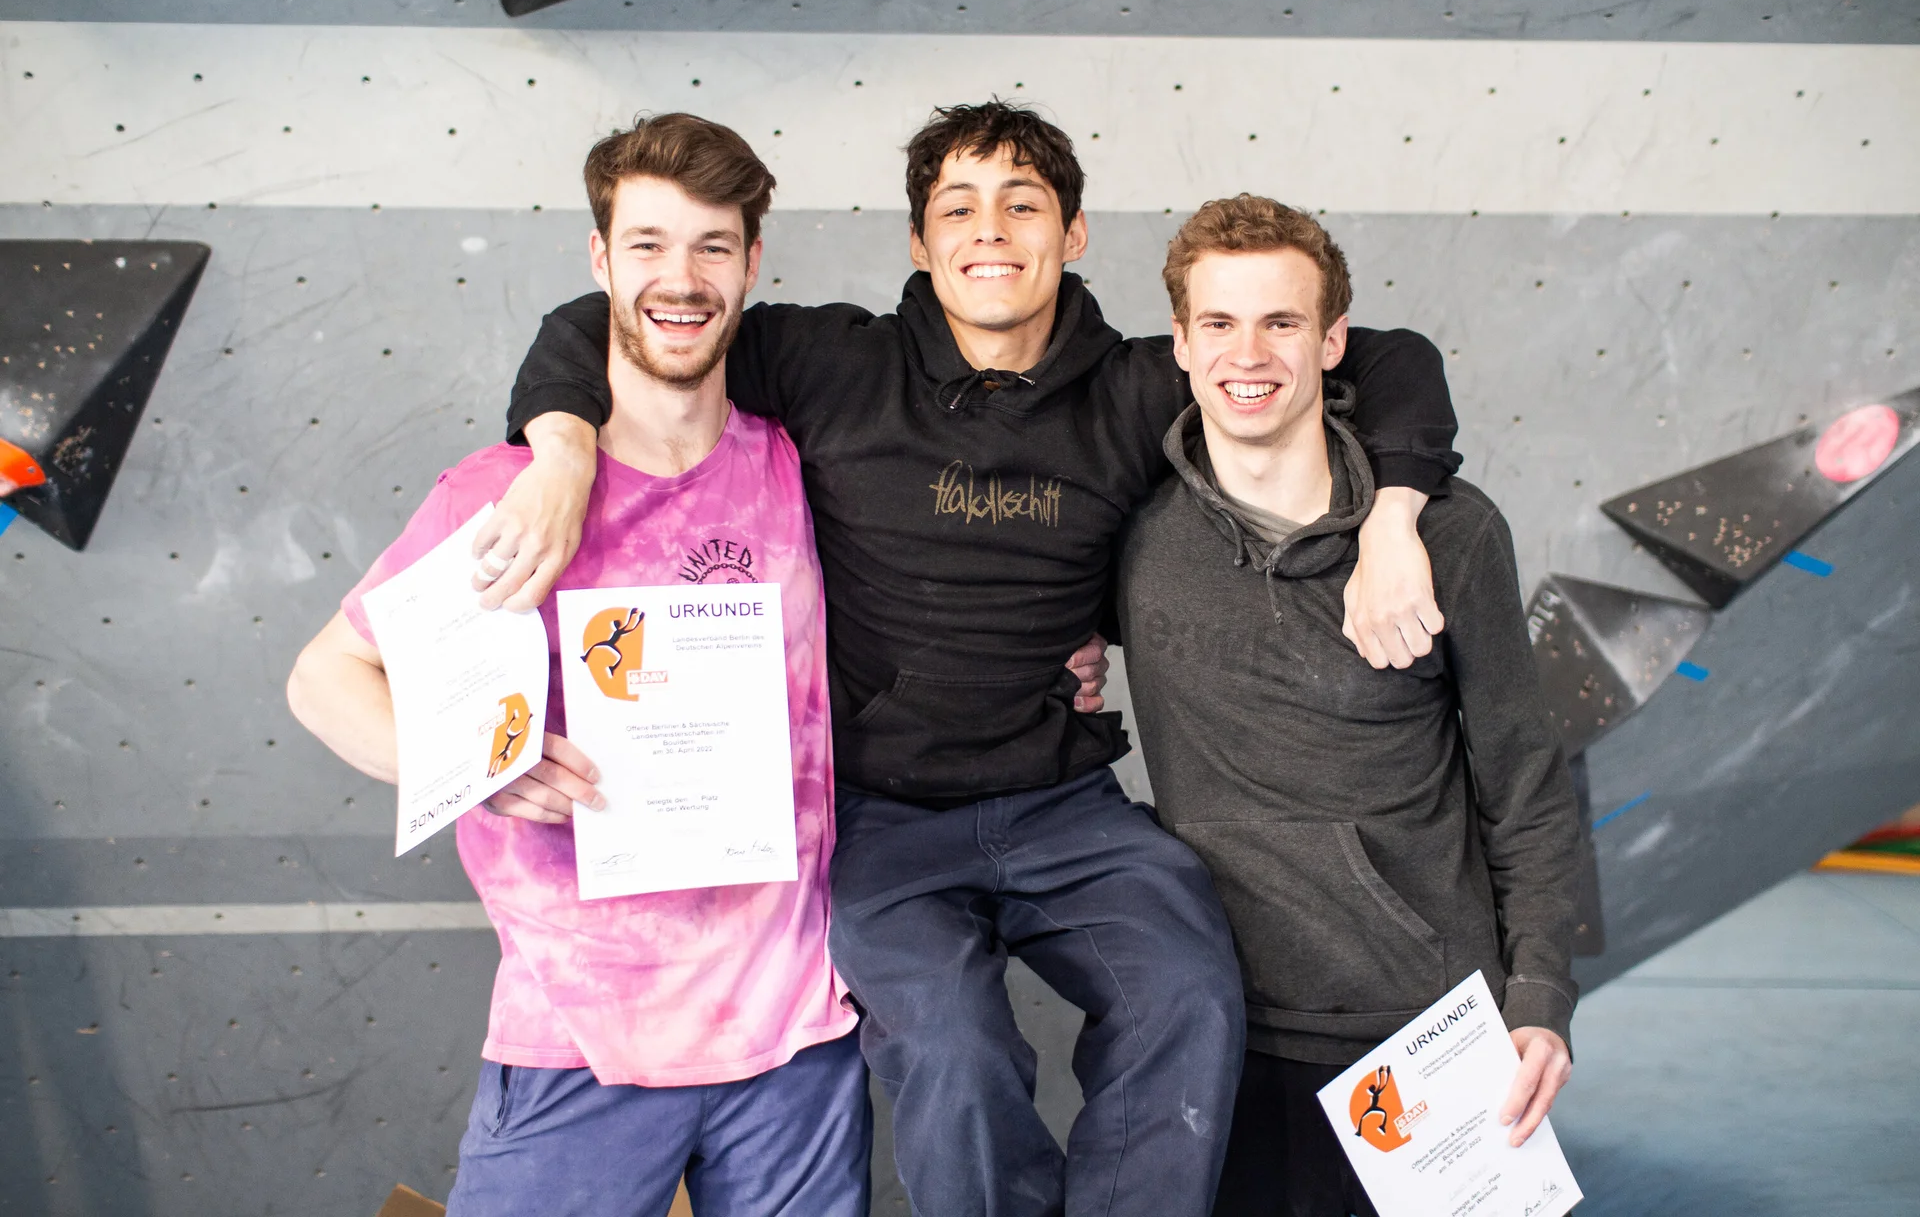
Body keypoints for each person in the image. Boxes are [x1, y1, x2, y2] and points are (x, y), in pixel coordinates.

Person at [477, 101, 1465, 1215]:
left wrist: (1392, 518)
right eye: (958, 207)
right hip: (883, 823)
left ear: (1073, 233)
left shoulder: (1142, 385)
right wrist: (559, 453)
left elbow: (1388, 360)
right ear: (920, 242)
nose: (989, 229)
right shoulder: (828, 361)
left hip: (1065, 806)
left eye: (1022, 204)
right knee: (952, 1052)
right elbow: (596, 321)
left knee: (1188, 990)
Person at [286, 114, 872, 1217]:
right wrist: (474, 767)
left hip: (795, 1036)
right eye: (648, 244)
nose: (681, 278)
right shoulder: (501, 493)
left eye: (711, 246)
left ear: (751, 264)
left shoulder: (805, 470)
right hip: (582, 1035)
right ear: (601, 261)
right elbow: (322, 678)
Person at [1114, 195, 1579, 1217]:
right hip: (1225, 1029)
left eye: (1282, 322)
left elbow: (1526, 775)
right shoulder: (1131, 536)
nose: (1251, 353)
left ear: (1332, 341)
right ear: (1180, 345)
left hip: (1431, 1026)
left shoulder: (1447, 535)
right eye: (1221, 324)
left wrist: (1540, 995)